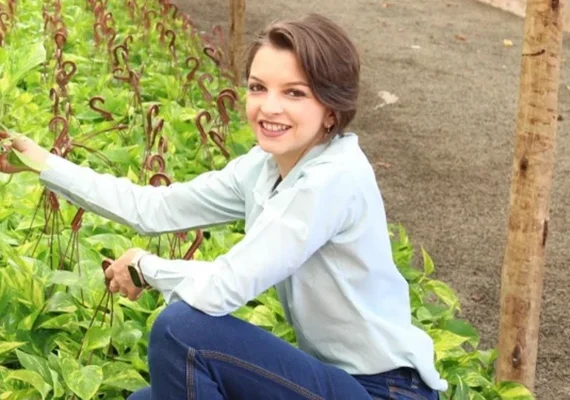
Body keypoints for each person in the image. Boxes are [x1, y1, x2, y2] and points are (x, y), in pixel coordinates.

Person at [0, 13, 447, 400]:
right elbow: (153, 209)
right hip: (329, 381)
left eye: (295, 93)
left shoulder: (334, 179)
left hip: (384, 390)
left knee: (182, 331)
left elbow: (226, 286)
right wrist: (40, 162)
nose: (269, 107)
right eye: (258, 87)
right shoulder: (266, 166)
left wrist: (144, 267)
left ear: (331, 107)